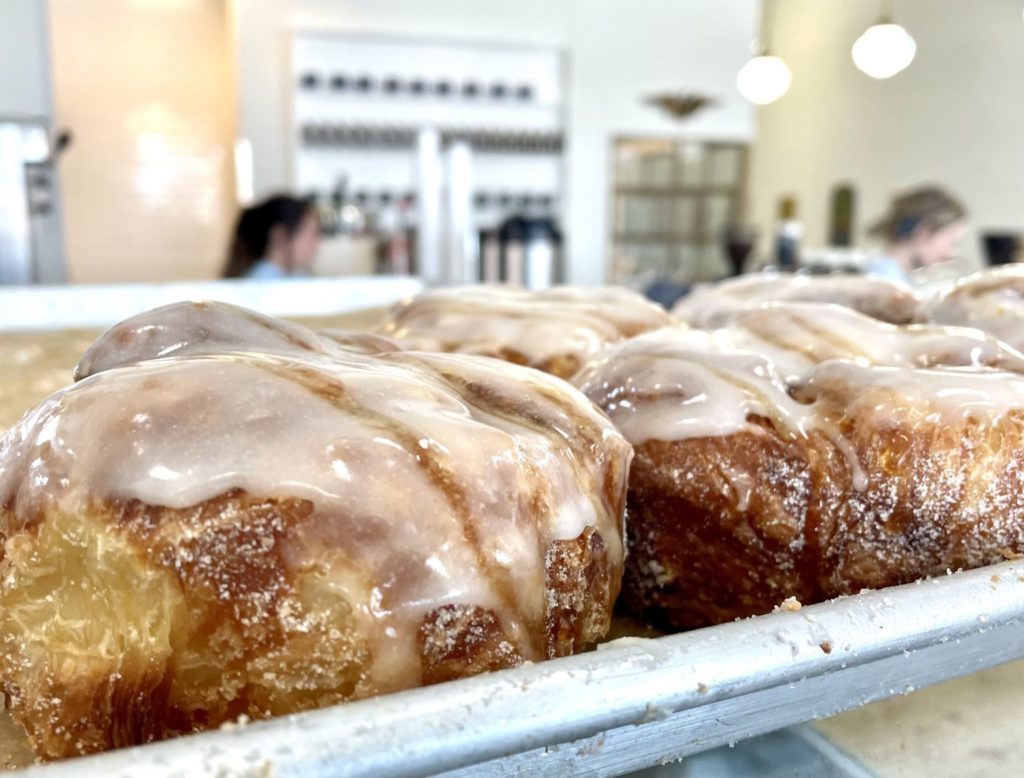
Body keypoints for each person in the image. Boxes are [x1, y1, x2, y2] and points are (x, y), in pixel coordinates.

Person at [865, 185, 968, 282]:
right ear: (922, 233)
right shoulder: (884, 280)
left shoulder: (895, 276)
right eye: (952, 242)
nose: (952, 254)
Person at [224, 194, 320, 279]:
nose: (315, 246)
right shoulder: (259, 282)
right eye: (311, 234)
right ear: (280, 235)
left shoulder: (295, 277)